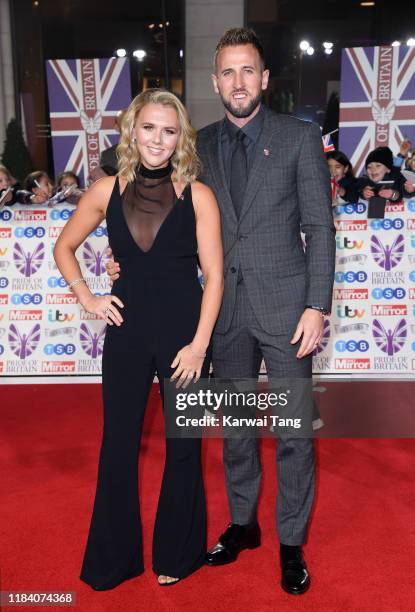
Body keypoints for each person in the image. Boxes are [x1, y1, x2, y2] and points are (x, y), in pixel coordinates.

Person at [107, 27, 335, 595]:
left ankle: (289, 542)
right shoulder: (196, 145)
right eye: (227, 72)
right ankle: (242, 524)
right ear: (216, 82)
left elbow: (319, 229)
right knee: (234, 429)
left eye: (248, 71)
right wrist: (123, 265)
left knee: (291, 432)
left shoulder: (299, 138)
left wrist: (316, 305)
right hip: (219, 313)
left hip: (286, 309)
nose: (238, 82)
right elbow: (156, 213)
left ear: (263, 78)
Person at [53, 89, 224, 589]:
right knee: (118, 444)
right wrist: (87, 296)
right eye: (149, 128)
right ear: (132, 130)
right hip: (126, 333)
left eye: (169, 131)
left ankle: (179, 552)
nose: (158, 139)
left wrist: (198, 345)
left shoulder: (199, 193)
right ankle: (113, 560)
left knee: (184, 446)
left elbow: (212, 275)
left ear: (181, 137)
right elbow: (65, 247)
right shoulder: (106, 190)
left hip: (184, 335)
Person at [99, 108, 127, 173]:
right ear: (117, 128)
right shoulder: (107, 156)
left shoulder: (149, 150)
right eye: (125, 123)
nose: (129, 126)